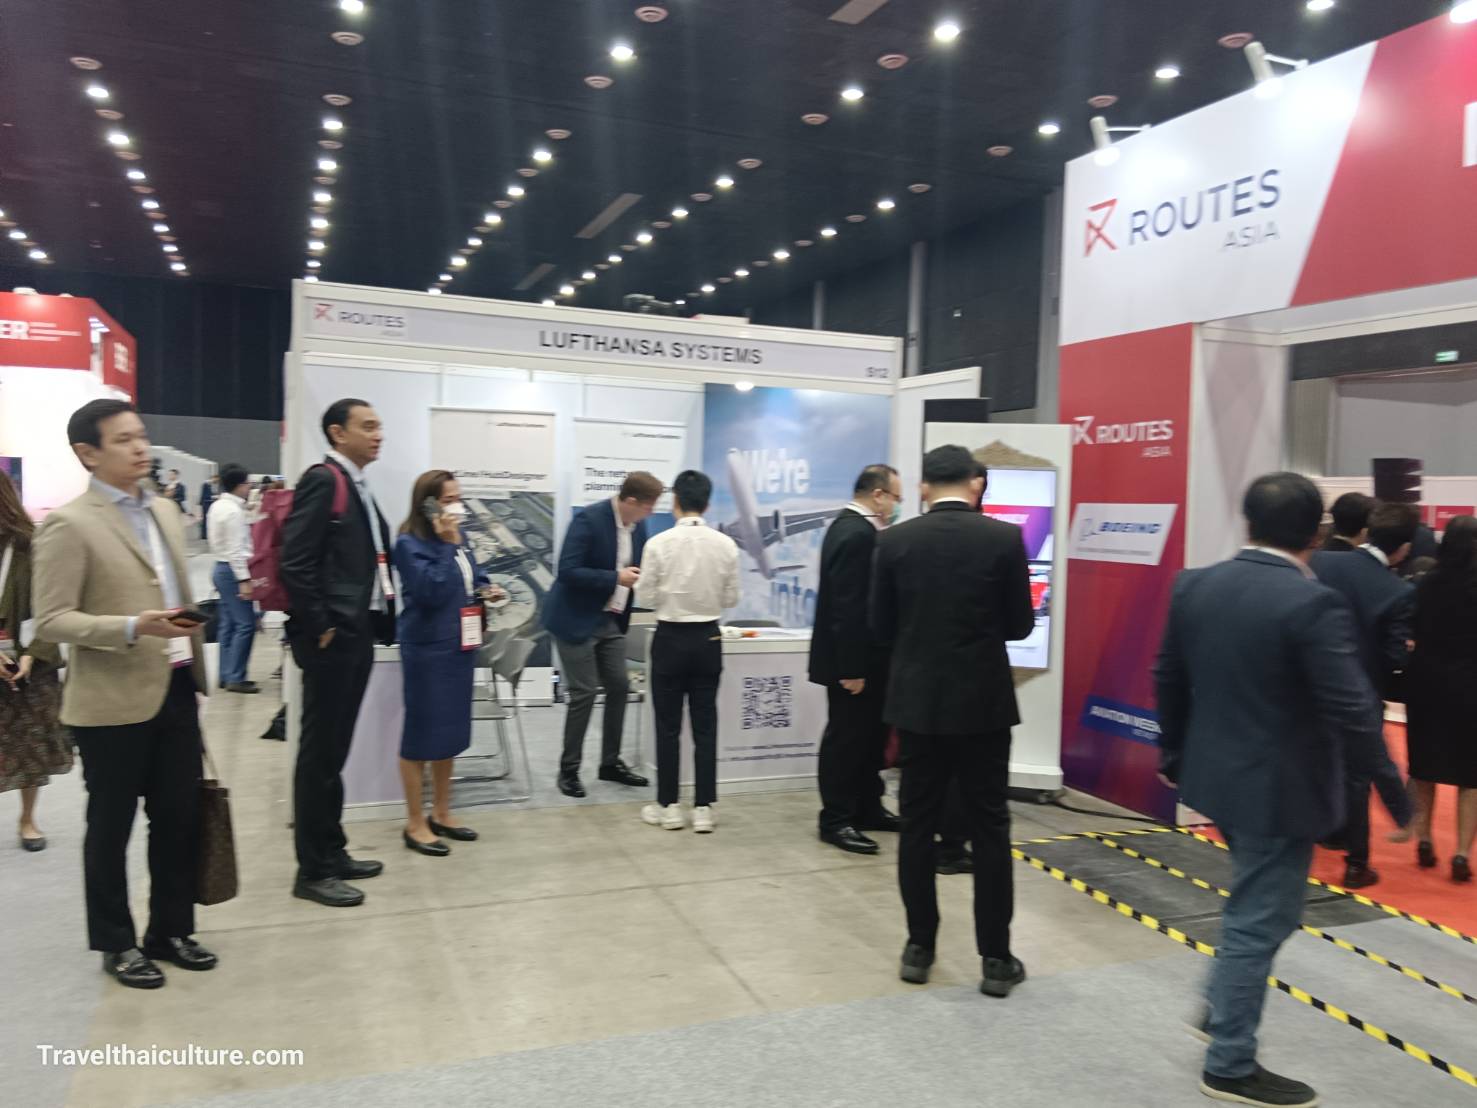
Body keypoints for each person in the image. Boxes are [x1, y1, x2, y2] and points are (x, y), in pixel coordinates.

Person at [1155, 472, 1394, 1108]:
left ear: (1249, 521)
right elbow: (1353, 709)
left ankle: (1218, 1009)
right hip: (1278, 790)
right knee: (1261, 919)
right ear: (1315, 533)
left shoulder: (1195, 584)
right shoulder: (1311, 603)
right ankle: (1229, 1065)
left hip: (1216, 777)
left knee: (1257, 906)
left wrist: (1172, 753)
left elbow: (1168, 675)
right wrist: (1394, 796)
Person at [33, 400, 217, 989]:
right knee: (111, 827)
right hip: (110, 702)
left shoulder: (164, 510)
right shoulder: (69, 523)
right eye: (123, 440)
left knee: (178, 818)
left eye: (142, 436)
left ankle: (171, 930)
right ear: (87, 453)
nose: (141, 448)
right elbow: (52, 619)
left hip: (175, 687)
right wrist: (133, 626)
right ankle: (116, 942)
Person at [870, 445, 1035, 998]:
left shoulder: (894, 541)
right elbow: (1019, 625)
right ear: (976, 483)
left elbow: (880, 626)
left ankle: (919, 947)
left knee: (917, 824)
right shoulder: (1004, 539)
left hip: (918, 703)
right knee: (990, 827)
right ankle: (996, 958)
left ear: (923, 487)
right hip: (984, 704)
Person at [280, 398, 397, 908]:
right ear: (337, 432)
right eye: (367, 426)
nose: (378, 434)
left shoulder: (357, 485)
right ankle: (312, 870)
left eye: (379, 426)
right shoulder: (324, 481)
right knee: (319, 756)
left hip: (357, 633)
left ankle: (332, 850)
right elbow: (296, 561)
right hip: (333, 638)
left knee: (335, 753)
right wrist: (321, 626)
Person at [393, 470, 505, 856]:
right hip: (427, 651)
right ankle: (415, 822)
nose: (455, 506)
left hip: (460, 647)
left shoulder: (459, 536)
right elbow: (431, 591)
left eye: (458, 498)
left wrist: (486, 588)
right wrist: (445, 543)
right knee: (420, 736)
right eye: (447, 500)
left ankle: (442, 811)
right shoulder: (409, 543)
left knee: (450, 735)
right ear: (427, 504)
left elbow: (471, 575)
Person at [1308, 501, 1418, 888]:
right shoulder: (1396, 591)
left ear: (1369, 533)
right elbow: (1393, 658)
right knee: (1359, 777)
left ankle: (1324, 832)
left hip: (1311, 686)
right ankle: (1357, 864)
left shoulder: (1322, 562)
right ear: (1404, 549)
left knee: (1316, 761)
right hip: (1361, 693)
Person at [543, 471, 661, 798]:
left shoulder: (638, 528)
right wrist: (614, 578)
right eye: (648, 506)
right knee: (583, 693)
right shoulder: (589, 519)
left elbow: (636, 569)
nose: (652, 512)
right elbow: (567, 571)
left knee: (619, 687)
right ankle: (569, 770)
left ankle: (610, 763)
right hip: (575, 620)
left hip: (611, 620)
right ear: (631, 501)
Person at [636, 470, 740, 833]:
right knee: (705, 725)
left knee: (667, 726)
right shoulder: (725, 544)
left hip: (670, 637)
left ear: (675, 501)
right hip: (708, 638)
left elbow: (645, 595)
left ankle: (668, 806)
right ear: (707, 504)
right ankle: (704, 808)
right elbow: (731, 598)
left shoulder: (658, 543)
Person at [809, 464, 904, 856]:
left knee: (870, 739)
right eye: (896, 497)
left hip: (871, 661)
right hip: (854, 665)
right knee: (846, 741)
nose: (897, 506)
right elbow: (848, 608)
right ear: (878, 495)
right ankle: (836, 819)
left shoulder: (857, 529)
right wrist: (852, 668)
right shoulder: (856, 533)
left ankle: (868, 807)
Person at [0, 468, 71, 853]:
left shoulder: (31, 546)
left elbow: (53, 607)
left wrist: (31, 655)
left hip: (29, 662)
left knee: (29, 743)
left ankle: (27, 818)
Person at [1404, 515, 1477, 883]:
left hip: (1426, 684)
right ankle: (1462, 852)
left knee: (1423, 769)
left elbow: (1410, 629)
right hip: (1470, 687)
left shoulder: (1424, 583)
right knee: (1470, 777)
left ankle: (1424, 839)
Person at [207, 464, 258, 694]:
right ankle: (236, 677)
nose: (249, 488)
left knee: (228, 625)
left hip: (220, 567)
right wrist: (244, 579)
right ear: (239, 485)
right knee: (245, 624)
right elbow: (236, 550)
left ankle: (225, 674)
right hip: (233, 571)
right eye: (248, 484)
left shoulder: (218, 505)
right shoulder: (234, 512)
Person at [198, 474, 218, 540]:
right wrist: (214, 497)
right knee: (205, 520)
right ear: (213, 478)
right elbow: (205, 495)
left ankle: (207, 534)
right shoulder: (206, 484)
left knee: (208, 519)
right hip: (206, 503)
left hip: (209, 503)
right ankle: (204, 535)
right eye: (216, 479)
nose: (216, 481)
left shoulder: (210, 485)